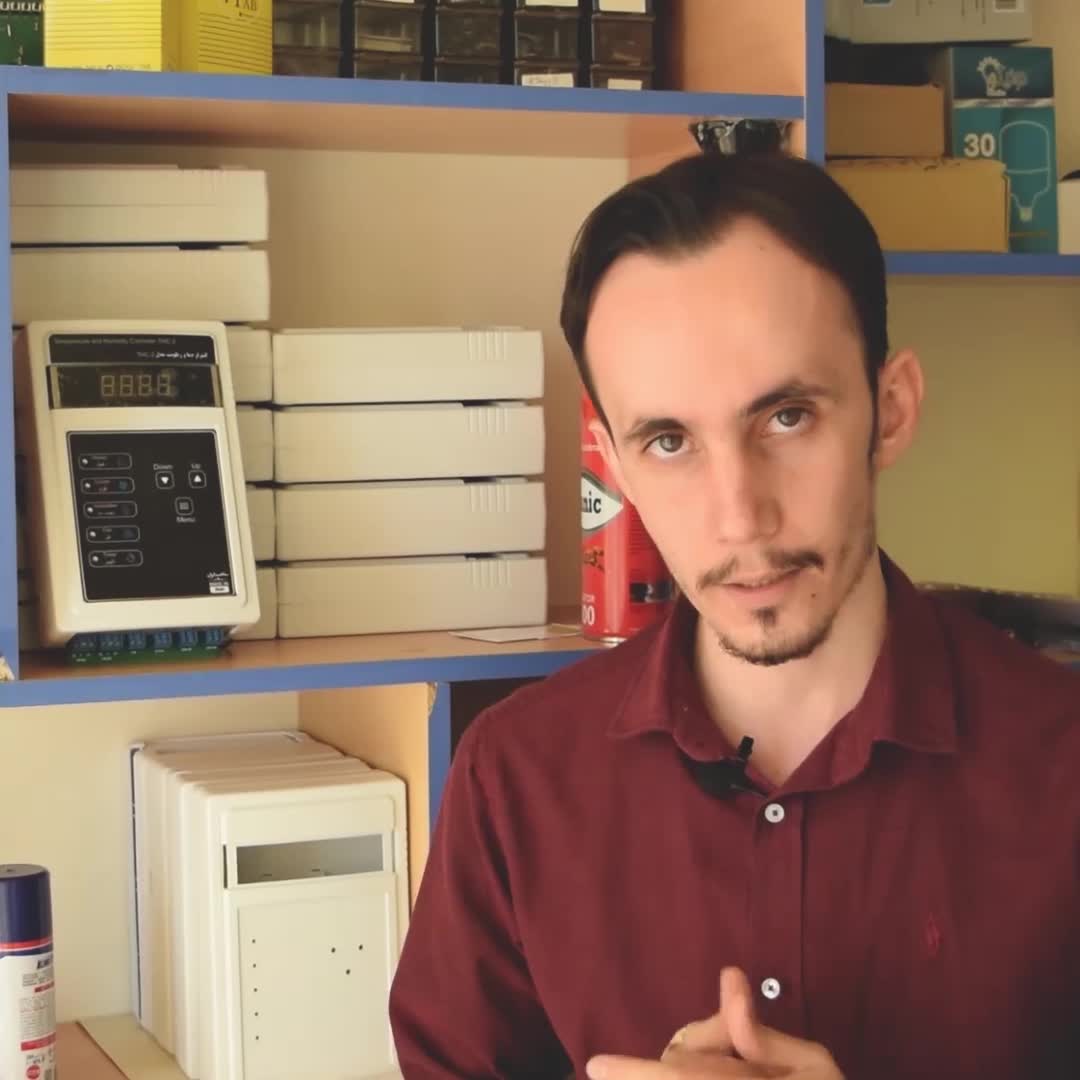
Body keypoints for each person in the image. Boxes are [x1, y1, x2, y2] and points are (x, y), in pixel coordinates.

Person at [387, 151, 1080, 1079]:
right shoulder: (512, 783)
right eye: (669, 441)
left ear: (891, 410)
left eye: (786, 417)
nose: (739, 517)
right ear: (617, 467)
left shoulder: (1063, 765)